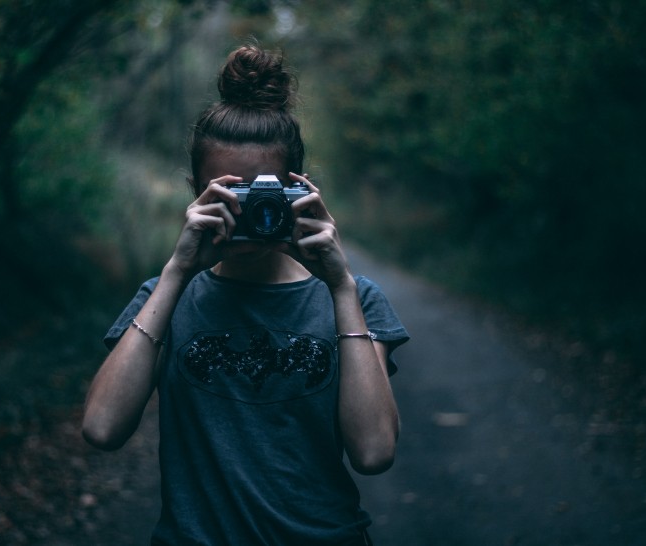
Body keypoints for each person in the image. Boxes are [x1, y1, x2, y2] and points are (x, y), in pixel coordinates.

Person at [82, 43, 409, 545]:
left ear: (301, 190)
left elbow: (373, 452)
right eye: (229, 196)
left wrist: (339, 285)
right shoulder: (166, 296)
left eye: (265, 196)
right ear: (196, 192)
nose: (250, 214)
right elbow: (102, 428)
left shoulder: (355, 299)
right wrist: (177, 271)